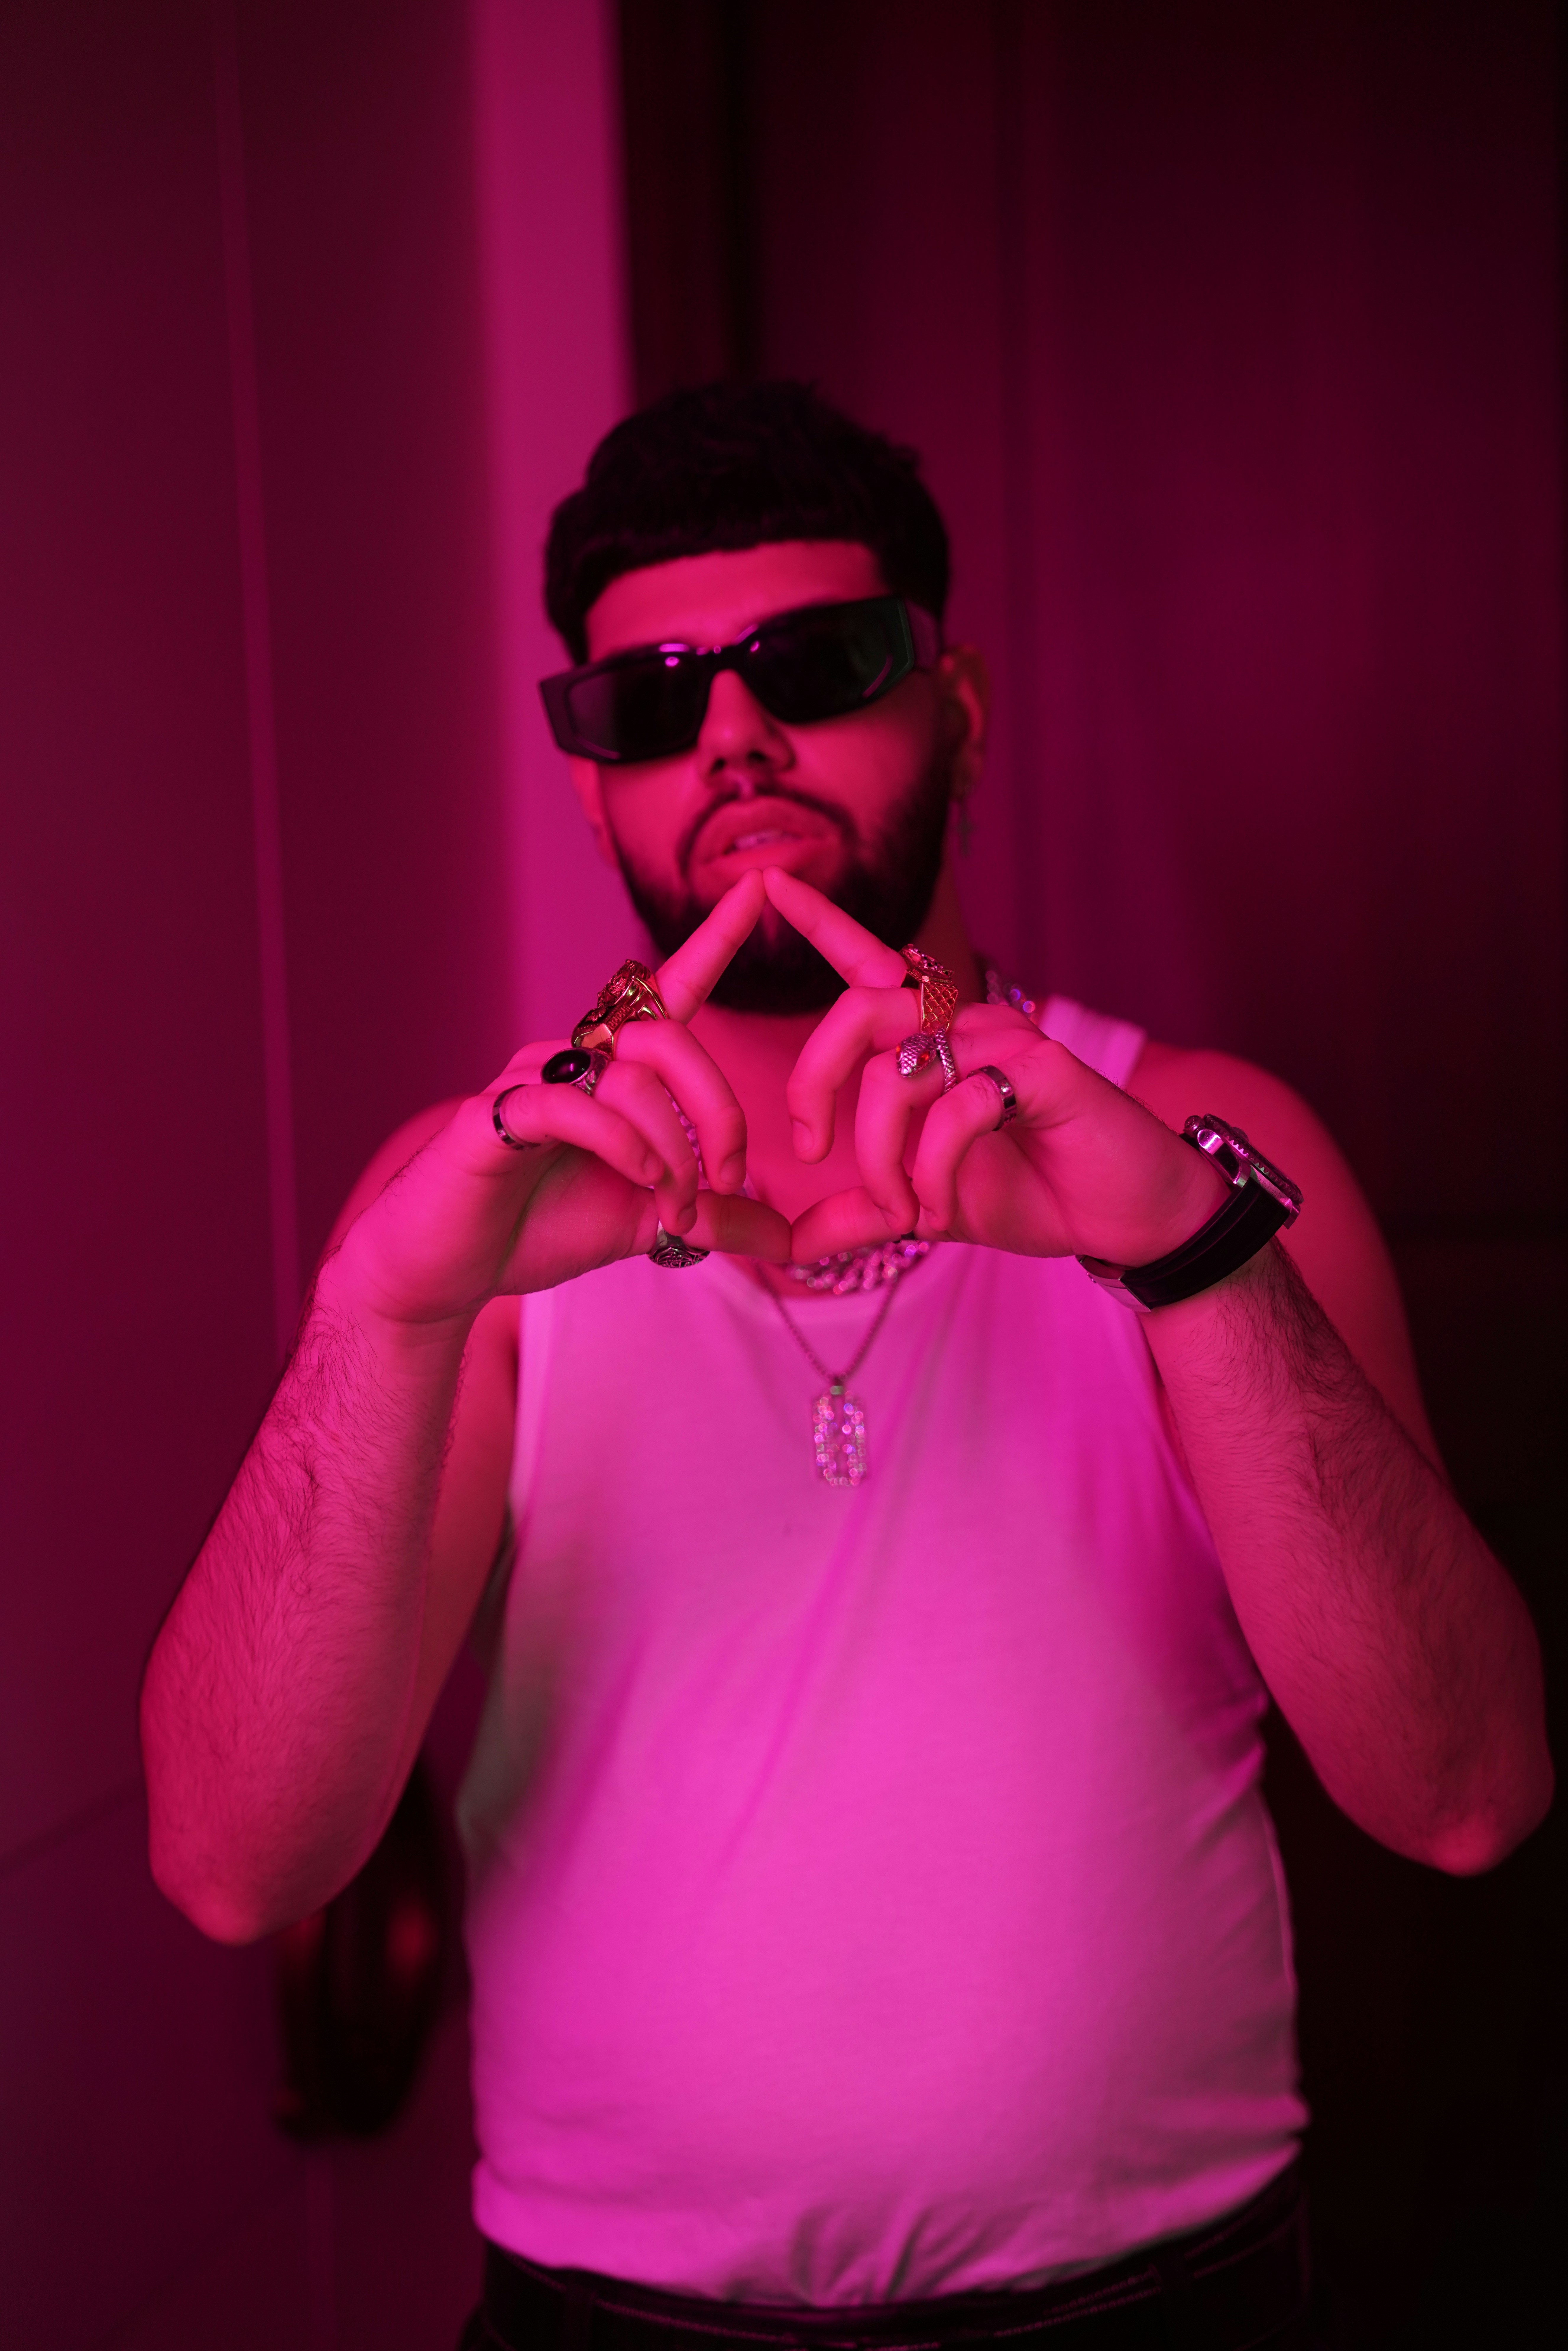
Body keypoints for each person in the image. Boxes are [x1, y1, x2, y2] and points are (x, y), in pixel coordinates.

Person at [142, 382, 1552, 2349]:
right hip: (608, 2319)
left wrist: (1189, 1259)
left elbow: (1464, 1793)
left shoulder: (1217, 1152)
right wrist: (382, 1319)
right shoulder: (462, 1223)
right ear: (590, 785)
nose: (732, 733)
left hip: (1169, 2305)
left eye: (815, 662)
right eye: (648, 700)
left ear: (952, 704)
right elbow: (231, 1860)